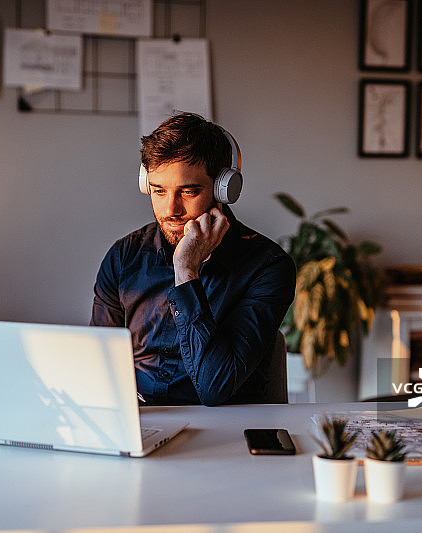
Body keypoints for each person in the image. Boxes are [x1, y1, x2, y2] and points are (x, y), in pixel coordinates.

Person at [90, 113, 295, 405]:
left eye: (188, 192)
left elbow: (215, 388)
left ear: (223, 188)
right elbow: (98, 365)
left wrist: (186, 271)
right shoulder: (124, 256)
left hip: (224, 423)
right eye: (158, 191)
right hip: (138, 418)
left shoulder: (267, 266)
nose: (170, 210)